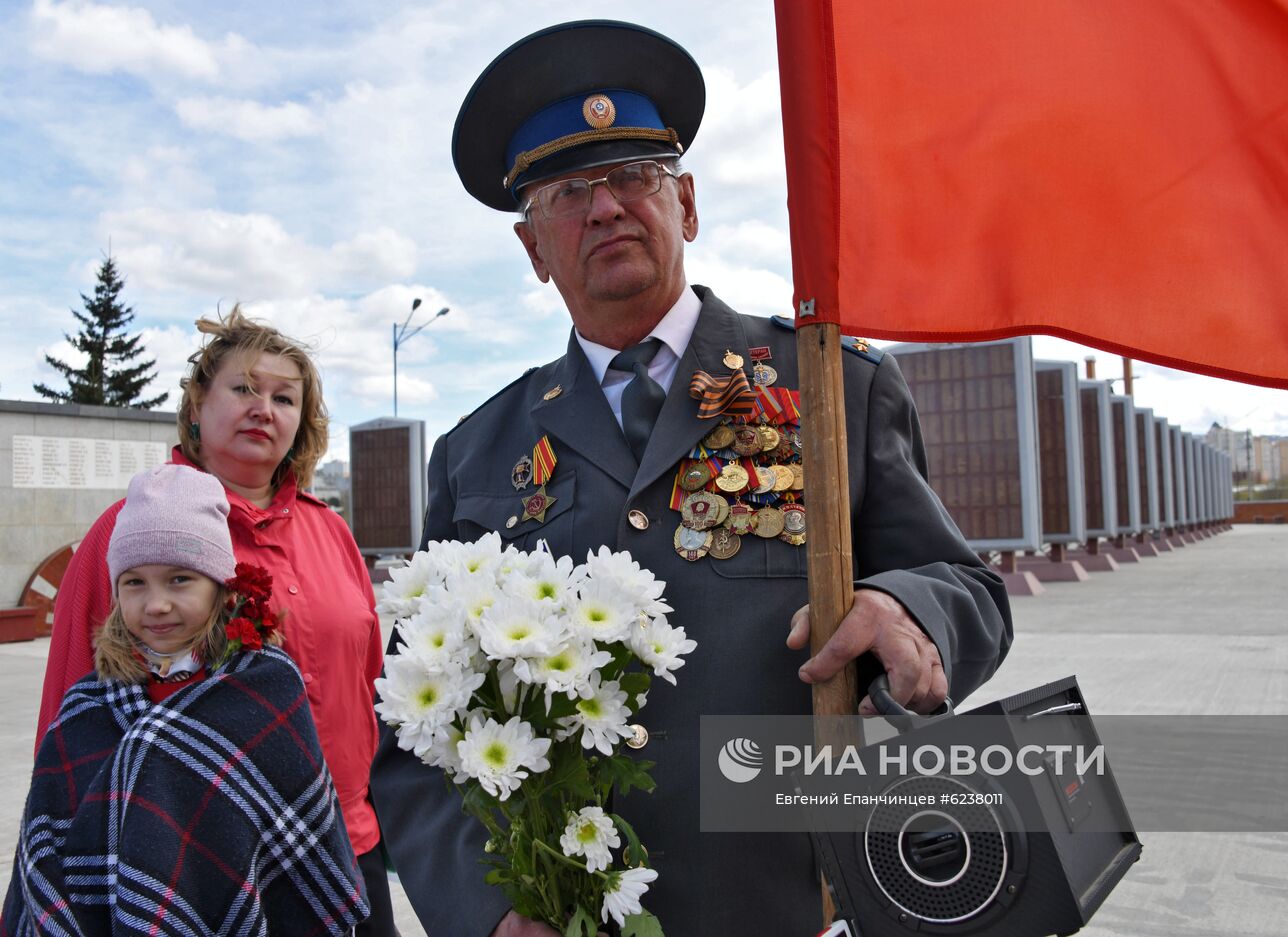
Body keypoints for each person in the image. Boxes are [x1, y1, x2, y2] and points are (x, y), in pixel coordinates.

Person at [370, 20, 1013, 937]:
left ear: (689, 206)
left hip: (795, 903)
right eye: (568, 194)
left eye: (636, 177)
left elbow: (969, 590)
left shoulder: (831, 389)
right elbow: (413, 740)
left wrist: (913, 613)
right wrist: (488, 914)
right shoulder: (476, 454)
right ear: (532, 249)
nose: (605, 210)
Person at [35, 307, 397, 934]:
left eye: (285, 397)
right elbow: (70, 715)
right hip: (189, 859)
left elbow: (371, 688)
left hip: (338, 843)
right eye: (244, 388)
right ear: (199, 403)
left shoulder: (333, 532)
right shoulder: (129, 534)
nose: (264, 408)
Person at [4, 465, 367, 934]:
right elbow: (47, 844)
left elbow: (301, 846)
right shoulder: (87, 706)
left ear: (219, 587)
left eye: (179, 579)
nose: (155, 604)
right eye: (134, 582)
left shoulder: (268, 690)